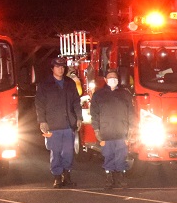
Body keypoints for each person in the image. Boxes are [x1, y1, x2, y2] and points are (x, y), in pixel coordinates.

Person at [35, 56, 81, 188]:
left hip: (68, 124)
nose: (60, 69)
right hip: (53, 125)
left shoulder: (70, 83)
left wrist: (79, 117)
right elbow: (39, 104)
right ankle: (57, 177)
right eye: (57, 67)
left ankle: (67, 176)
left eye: (62, 67)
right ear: (52, 68)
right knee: (55, 152)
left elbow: (76, 102)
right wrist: (42, 121)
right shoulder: (45, 85)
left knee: (68, 152)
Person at [90, 67, 134, 188]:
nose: (113, 80)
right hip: (106, 132)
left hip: (122, 132)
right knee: (108, 155)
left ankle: (120, 176)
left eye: (115, 78)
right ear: (105, 79)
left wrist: (131, 128)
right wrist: (97, 129)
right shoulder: (98, 95)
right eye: (110, 78)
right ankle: (109, 177)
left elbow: (131, 112)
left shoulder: (125, 94)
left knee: (121, 155)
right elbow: (94, 114)